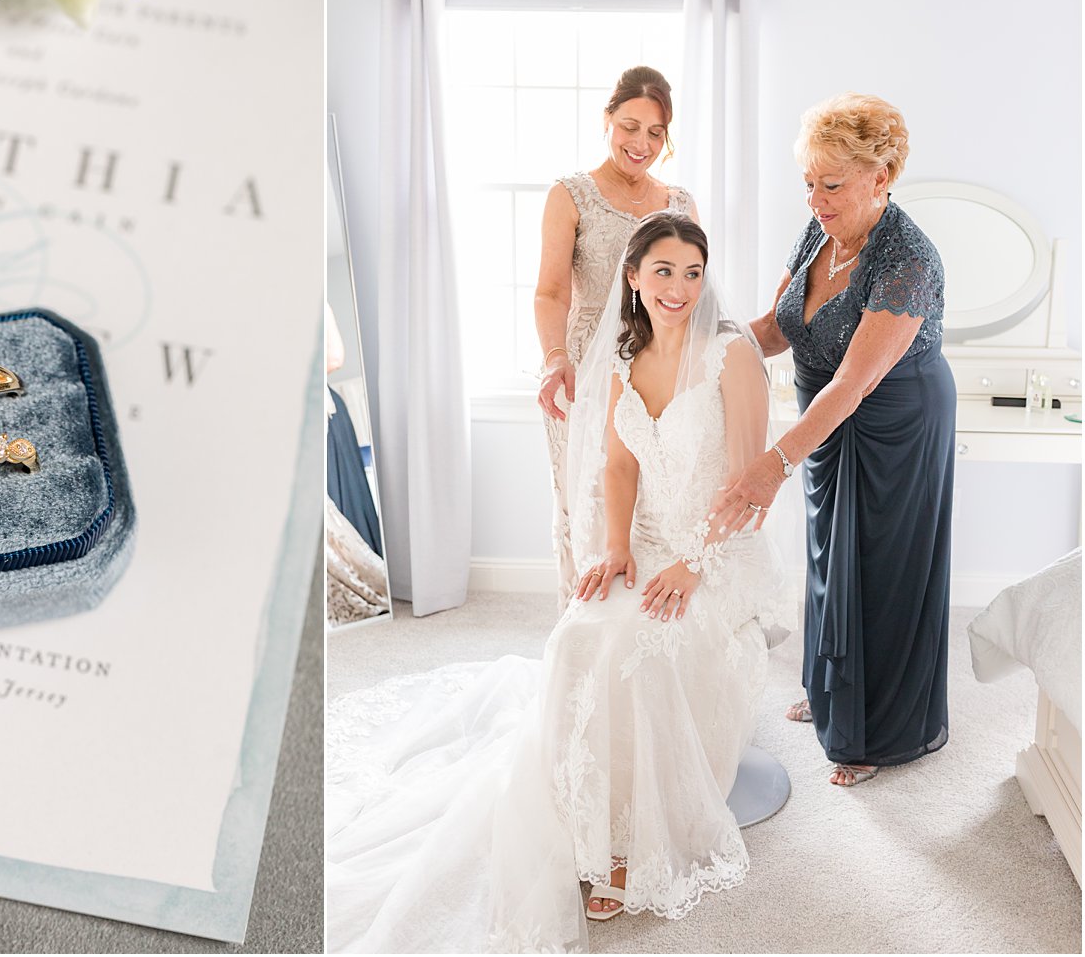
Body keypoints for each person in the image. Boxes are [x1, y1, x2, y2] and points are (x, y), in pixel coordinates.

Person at [327, 214, 790, 951]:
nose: (679, 287)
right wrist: (611, 548)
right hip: (643, 544)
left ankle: (622, 839)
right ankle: (582, 819)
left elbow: (746, 489)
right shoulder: (627, 358)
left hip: (715, 556)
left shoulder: (731, 356)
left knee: (640, 645)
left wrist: (692, 566)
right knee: (581, 633)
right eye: (663, 271)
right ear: (633, 277)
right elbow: (618, 467)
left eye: (692, 272)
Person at [711, 93, 954, 787]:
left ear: (882, 177)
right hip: (826, 422)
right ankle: (830, 694)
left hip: (893, 423)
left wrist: (773, 463)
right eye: (809, 182)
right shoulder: (818, 231)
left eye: (833, 183)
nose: (816, 197)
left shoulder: (908, 258)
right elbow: (776, 326)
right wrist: (697, 348)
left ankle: (877, 730)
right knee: (831, 558)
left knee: (880, 569)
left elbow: (851, 383)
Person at [535, 66, 698, 603]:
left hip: (660, 369)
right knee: (586, 501)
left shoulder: (679, 203)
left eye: (656, 133)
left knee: (655, 500)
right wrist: (555, 357)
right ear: (607, 120)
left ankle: (647, 643)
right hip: (586, 370)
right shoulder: (570, 195)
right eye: (631, 126)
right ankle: (578, 636)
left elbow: (694, 291)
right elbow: (552, 293)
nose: (642, 143)